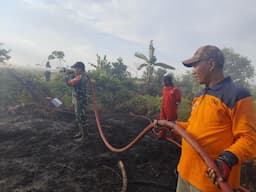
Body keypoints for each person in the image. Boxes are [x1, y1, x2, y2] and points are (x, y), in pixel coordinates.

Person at [157, 45, 256, 192]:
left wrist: (228, 159)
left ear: (211, 64)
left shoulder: (237, 95)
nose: (193, 71)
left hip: (210, 183)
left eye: (195, 65)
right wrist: (172, 126)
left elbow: (250, 139)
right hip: (185, 172)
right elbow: (192, 127)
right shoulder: (199, 96)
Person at [64, 61, 89, 142]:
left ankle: (84, 137)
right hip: (79, 100)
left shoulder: (80, 77)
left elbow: (69, 83)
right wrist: (71, 73)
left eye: (75, 68)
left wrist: (66, 75)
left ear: (80, 69)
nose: (74, 70)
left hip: (80, 101)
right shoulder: (82, 76)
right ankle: (81, 133)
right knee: (80, 117)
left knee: (81, 118)